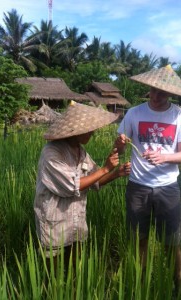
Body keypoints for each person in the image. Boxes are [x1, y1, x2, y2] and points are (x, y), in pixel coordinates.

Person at [114, 65, 181, 295]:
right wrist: (119, 144)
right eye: (154, 91)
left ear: (171, 94)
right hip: (138, 187)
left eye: (163, 93)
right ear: (148, 88)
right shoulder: (134, 113)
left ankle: (177, 287)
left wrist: (164, 157)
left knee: (171, 243)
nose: (157, 97)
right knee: (139, 240)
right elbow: (120, 146)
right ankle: (142, 286)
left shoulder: (180, 115)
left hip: (167, 187)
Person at [34, 101, 131, 271]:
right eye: (88, 129)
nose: (93, 132)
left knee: (75, 271)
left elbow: (95, 180)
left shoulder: (81, 152)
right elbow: (72, 186)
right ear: (74, 131)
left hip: (76, 221)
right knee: (53, 272)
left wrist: (116, 172)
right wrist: (106, 168)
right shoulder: (51, 152)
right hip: (55, 221)